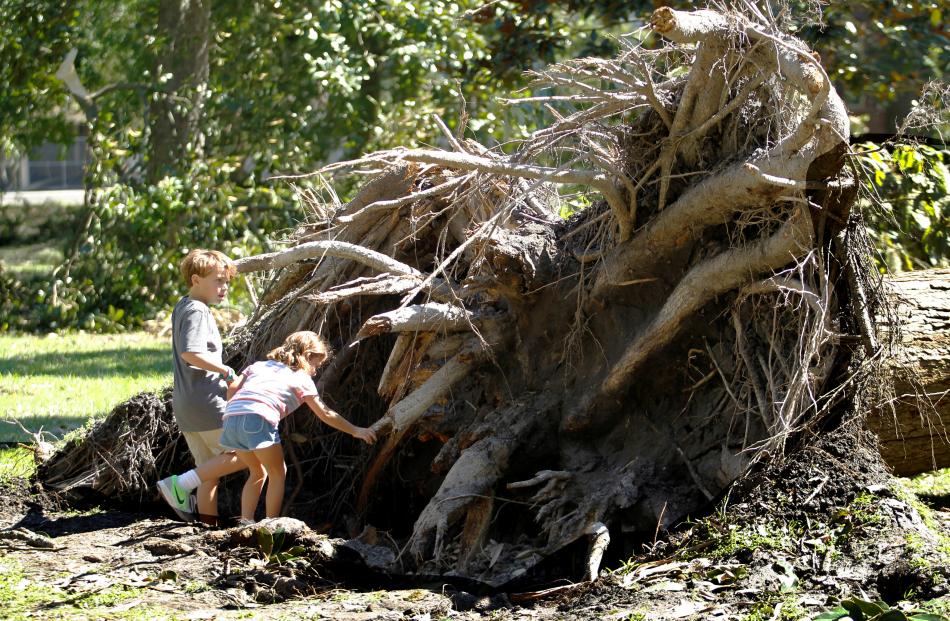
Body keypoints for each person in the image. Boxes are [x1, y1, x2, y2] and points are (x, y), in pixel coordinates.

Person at [161, 330, 377, 524]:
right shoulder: (302, 378)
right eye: (316, 365)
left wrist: (234, 412)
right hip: (258, 419)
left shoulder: (259, 366)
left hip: (231, 417)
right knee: (278, 472)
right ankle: (271, 525)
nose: (315, 372)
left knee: (257, 471)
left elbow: (234, 386)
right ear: (307, 356)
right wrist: (356, 430)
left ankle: (245, 521)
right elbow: (325, 413)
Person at [158, 249, 247, 524]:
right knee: (248, 453)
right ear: (196, 279)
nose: (224, 288)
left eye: (227, 282)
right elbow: (190, 353)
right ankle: (179, 484)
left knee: (209, 471)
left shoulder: (183, 305)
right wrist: (226, 370)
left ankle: (208, 525)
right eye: (218, 281)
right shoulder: (198, 311)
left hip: (186, 406)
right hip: (207, 403)